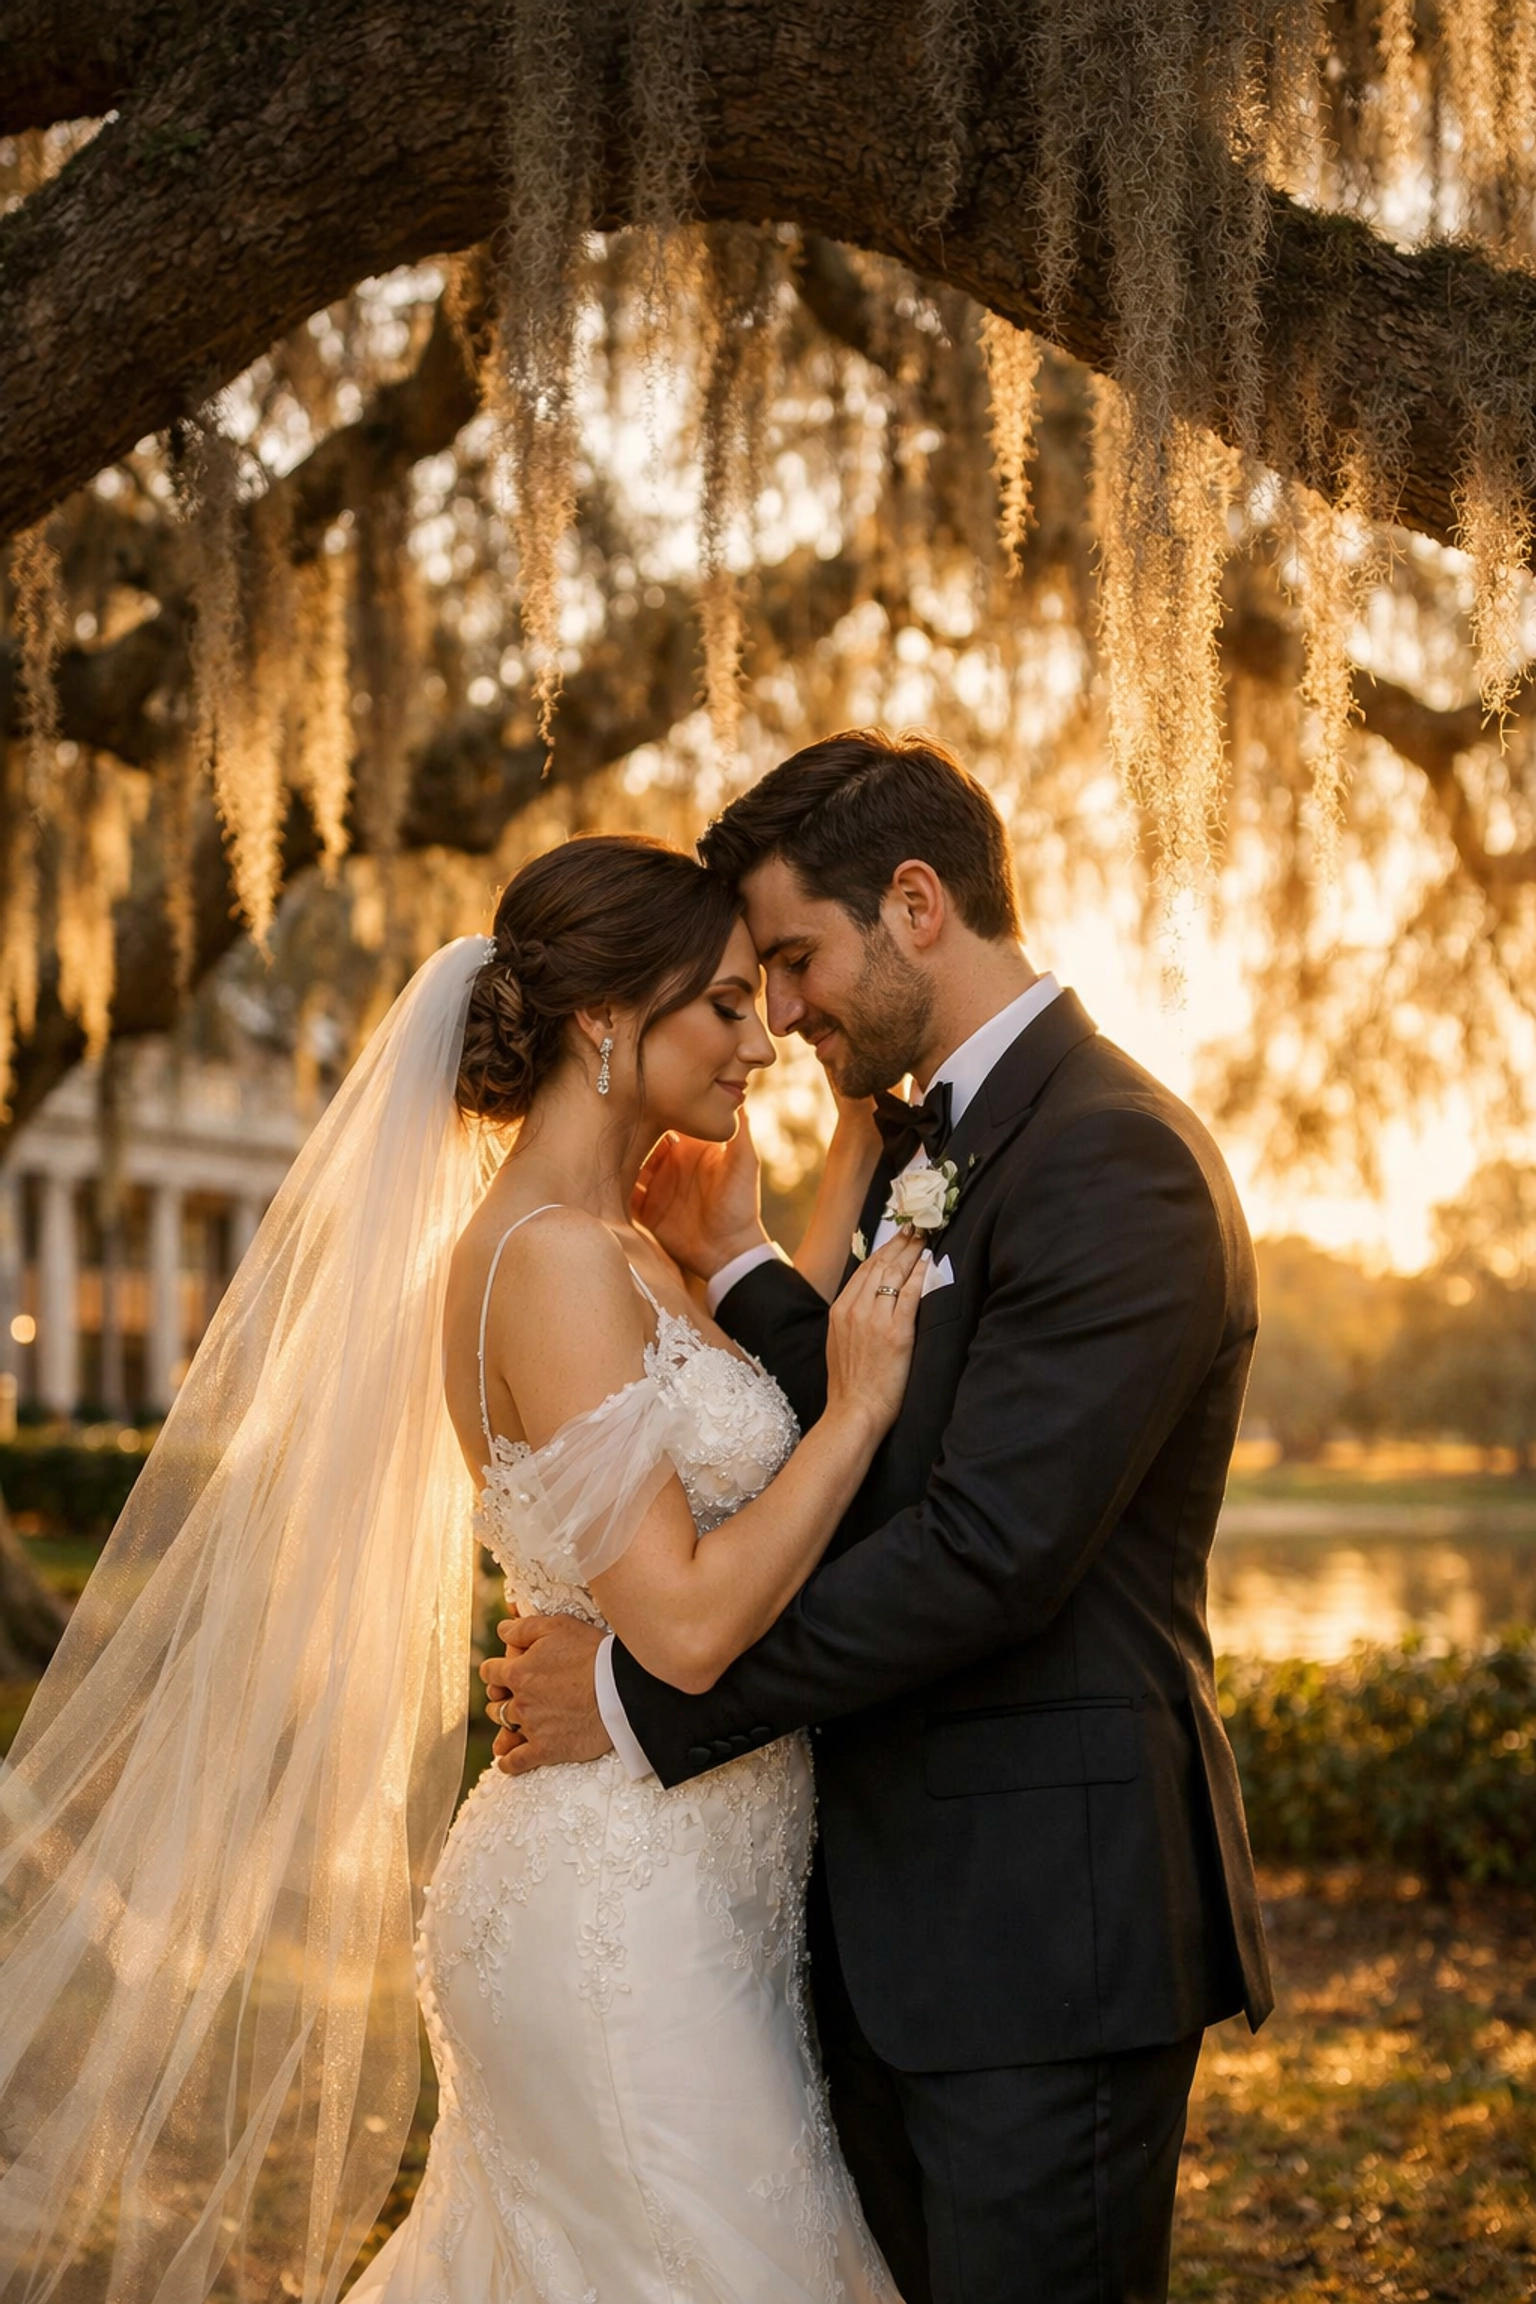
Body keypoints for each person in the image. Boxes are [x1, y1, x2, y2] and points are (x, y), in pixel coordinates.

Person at [0, 833, 920, 2304]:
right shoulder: (548, 1259)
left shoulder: (625, 1243)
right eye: (728, 1006)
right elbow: (681, 1622)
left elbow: (747, 1458)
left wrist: (772, 1230)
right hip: (620, 1904)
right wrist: (868, 1405)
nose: (764, 1041)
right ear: (609, 1023)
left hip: (700, 1880)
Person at [485, 731, 1275, 2304]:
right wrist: (751, 1277)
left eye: (791, 958)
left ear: (917, 903)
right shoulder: (960, 1139)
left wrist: (644, 1704)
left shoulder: (1112, 1158)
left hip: (1047, 1939)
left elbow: (983, 1553)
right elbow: (888, 1434)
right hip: (874, 1936)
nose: (780, 1015)